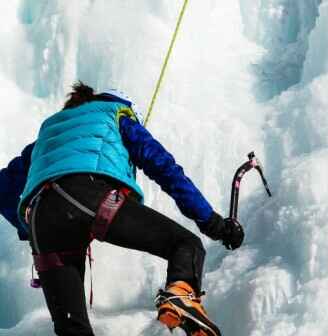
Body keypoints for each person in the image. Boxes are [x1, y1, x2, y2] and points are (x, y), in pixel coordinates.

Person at [0, 82, 244, 336]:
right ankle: (180, 296)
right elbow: (165, 168)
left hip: (41, 219)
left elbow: (3, 189)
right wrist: (214, 224)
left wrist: (30, 228)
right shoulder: (117, 114)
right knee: (185, 246)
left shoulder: (48, 134)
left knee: (72, 330)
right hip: (91, 194)